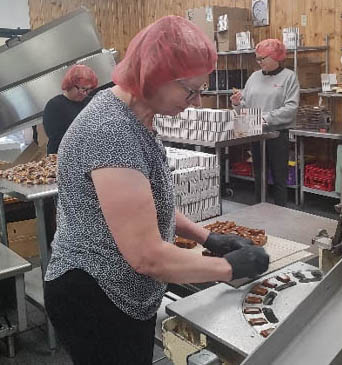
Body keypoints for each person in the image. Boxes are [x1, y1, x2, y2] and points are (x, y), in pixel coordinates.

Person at [43, 16, 269, 365]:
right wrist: (229, 268)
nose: (195, 102)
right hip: (95, 294)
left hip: (123, 290)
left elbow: (148, 204)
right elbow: (147, 256)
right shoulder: (111, 131)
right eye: (190, 90)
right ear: (154, 75)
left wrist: (207, 238)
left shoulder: (139, 118)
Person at [231, 39, 300, 207]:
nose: (259, 62)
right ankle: (258, 209)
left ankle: (280, 212)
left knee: (279, 177)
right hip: (256, 134)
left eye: (263, 58)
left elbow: (291, 108)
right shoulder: (254, 77)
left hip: (277, 135)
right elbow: (245, 105)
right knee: (259, 176)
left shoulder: (289, 77)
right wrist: (237, 103)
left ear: (276, 57)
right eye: (258, 59)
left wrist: (266, 118)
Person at [42, 64, 98, 155]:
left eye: (89, 90)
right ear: (70, 84)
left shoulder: (91, 103)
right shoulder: (54, 105)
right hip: (62, 155)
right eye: (82, 88)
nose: (84, 93)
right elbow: (57, 138)